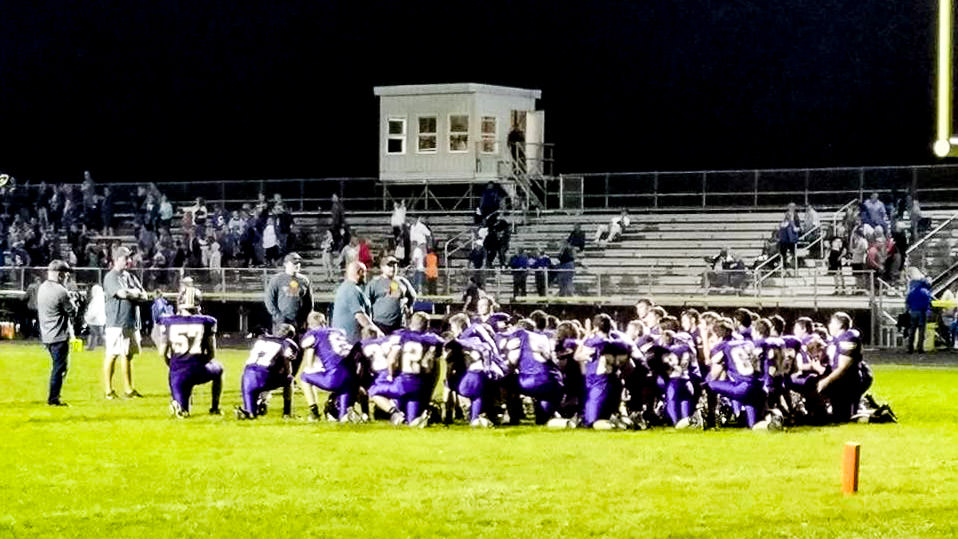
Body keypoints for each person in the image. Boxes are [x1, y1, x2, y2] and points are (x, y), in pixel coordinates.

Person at [157, 304, 223, 418]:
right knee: (219, 369)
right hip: (199, 369)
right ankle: (215, 408)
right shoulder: (206, 321)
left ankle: (179, 405)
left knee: (184, 413)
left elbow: (162, 352)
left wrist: (172, 365)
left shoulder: (168, 321)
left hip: (177, 374)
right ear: (197, 306)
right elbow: (212, 353)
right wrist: (200, 362)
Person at [102, 246, 149, 399]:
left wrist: (132, 293)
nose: (129, 261)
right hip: (116, 322)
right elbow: (121, 293)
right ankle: (109, 390)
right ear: (116, 260)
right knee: (112, 355)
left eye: (129, 258)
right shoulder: (111, 277)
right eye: (126, 258)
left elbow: (145, 296)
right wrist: (134, 293)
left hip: (131, 322)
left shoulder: (130, 276)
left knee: (128, 355)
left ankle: (129, 389)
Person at [236, 324, 299, 420]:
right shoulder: (287, 342)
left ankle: (256, 405)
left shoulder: (262, 338)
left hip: (247, 377)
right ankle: (287, 413)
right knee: (288, 379)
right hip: (264, 375)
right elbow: (287, 368)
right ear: (291, 335)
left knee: (251, 414)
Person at [37, 260, 77, 406]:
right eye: (66, 274)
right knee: (59, 368)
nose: (67, 277)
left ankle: (54, 396)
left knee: (58, 367)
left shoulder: (42, 288)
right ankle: (54, 399)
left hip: (46, 334)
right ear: (60, 275)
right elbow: (73, 312)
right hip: (59, 335)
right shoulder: (61, 291)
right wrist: (74, 301)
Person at [331, 261, 381, 344]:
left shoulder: (348, 287)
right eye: (365, 272)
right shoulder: (352, 290)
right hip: (350, 340)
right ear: (360, 272)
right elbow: (360, 316)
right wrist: (377, 332)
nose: (366, 275)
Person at [264, 252, 314, 334]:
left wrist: (305, 318)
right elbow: (269, 301)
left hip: (298, 322)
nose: (297, 265)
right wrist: (279, 317)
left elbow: (309, 302)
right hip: (281, 322)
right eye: (294, 263)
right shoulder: (277, 279)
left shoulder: (304, 280)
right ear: (286, 264)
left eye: (299, 263)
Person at [367, 255, 417, 334]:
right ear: (382, 267)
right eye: (389, 265)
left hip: (399, 325)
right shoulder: (374, 283)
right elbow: (367, 303)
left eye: (395, 265)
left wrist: (409, 307)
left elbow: (412, 296)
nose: (393, 268)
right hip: (380, 324)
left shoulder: (402, 281)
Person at [904, 277, 933, 353]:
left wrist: (907, 311)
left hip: (913, 312)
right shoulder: (926, 292)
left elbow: (907, 302)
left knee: (912, 331)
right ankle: (920, 348)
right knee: (921, 331)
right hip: (922, 312)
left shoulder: (912, 291)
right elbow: (928, 303)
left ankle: (910, 348)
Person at [84, 284, 106, 350]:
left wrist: (88, 317)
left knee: (100, 335)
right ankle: (91, 347)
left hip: (96, 321)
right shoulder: (100, 299)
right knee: (93, 334)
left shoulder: (96, 300)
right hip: (97, 320)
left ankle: (110, 347)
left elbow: (94, 311)